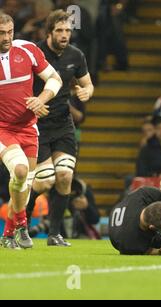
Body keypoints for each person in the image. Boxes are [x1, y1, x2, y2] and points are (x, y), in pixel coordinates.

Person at [25, 10, 94, 247]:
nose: (65, 35)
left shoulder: (76, 55)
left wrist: (86, 92)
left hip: (63, 123)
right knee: (44, 181)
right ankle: (21, 225)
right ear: (49, 32)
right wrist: (32, 106)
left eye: (68, 30)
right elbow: (17, 85)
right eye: (59, 31)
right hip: (36, 125)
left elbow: (87, 84)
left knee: (65, 176)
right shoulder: (33, 53)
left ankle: (55, 234)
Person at [0, 13, 63, 249]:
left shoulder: (27, 49)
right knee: (19, 170)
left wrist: (41, 99)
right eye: (1, 33)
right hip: (2, 129)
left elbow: (54, 79)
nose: (7, 38)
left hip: (28, 128)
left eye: (10, 32)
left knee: (24, 184)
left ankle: (7, 236)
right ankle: (22, 227)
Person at [108, 186, 161, 255]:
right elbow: (148, 251)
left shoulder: (144, 193)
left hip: (126, 219)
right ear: (152, 227)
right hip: (124, 235)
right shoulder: (131, 242)